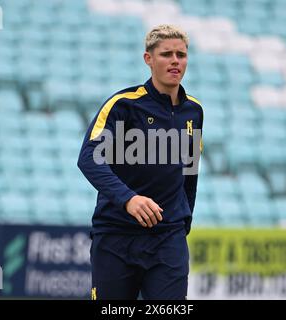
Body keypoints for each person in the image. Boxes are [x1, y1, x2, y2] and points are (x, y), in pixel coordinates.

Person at [77, 24, 203, 300]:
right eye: (166, 54)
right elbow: (88, 158)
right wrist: (129, 199)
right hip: (115, 237)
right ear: (148, 59)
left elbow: (190, 172)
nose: (175, 61)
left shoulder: (194, 111)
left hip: (168, 239)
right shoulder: (123, 105)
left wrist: (183, 221)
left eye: (181, 55)